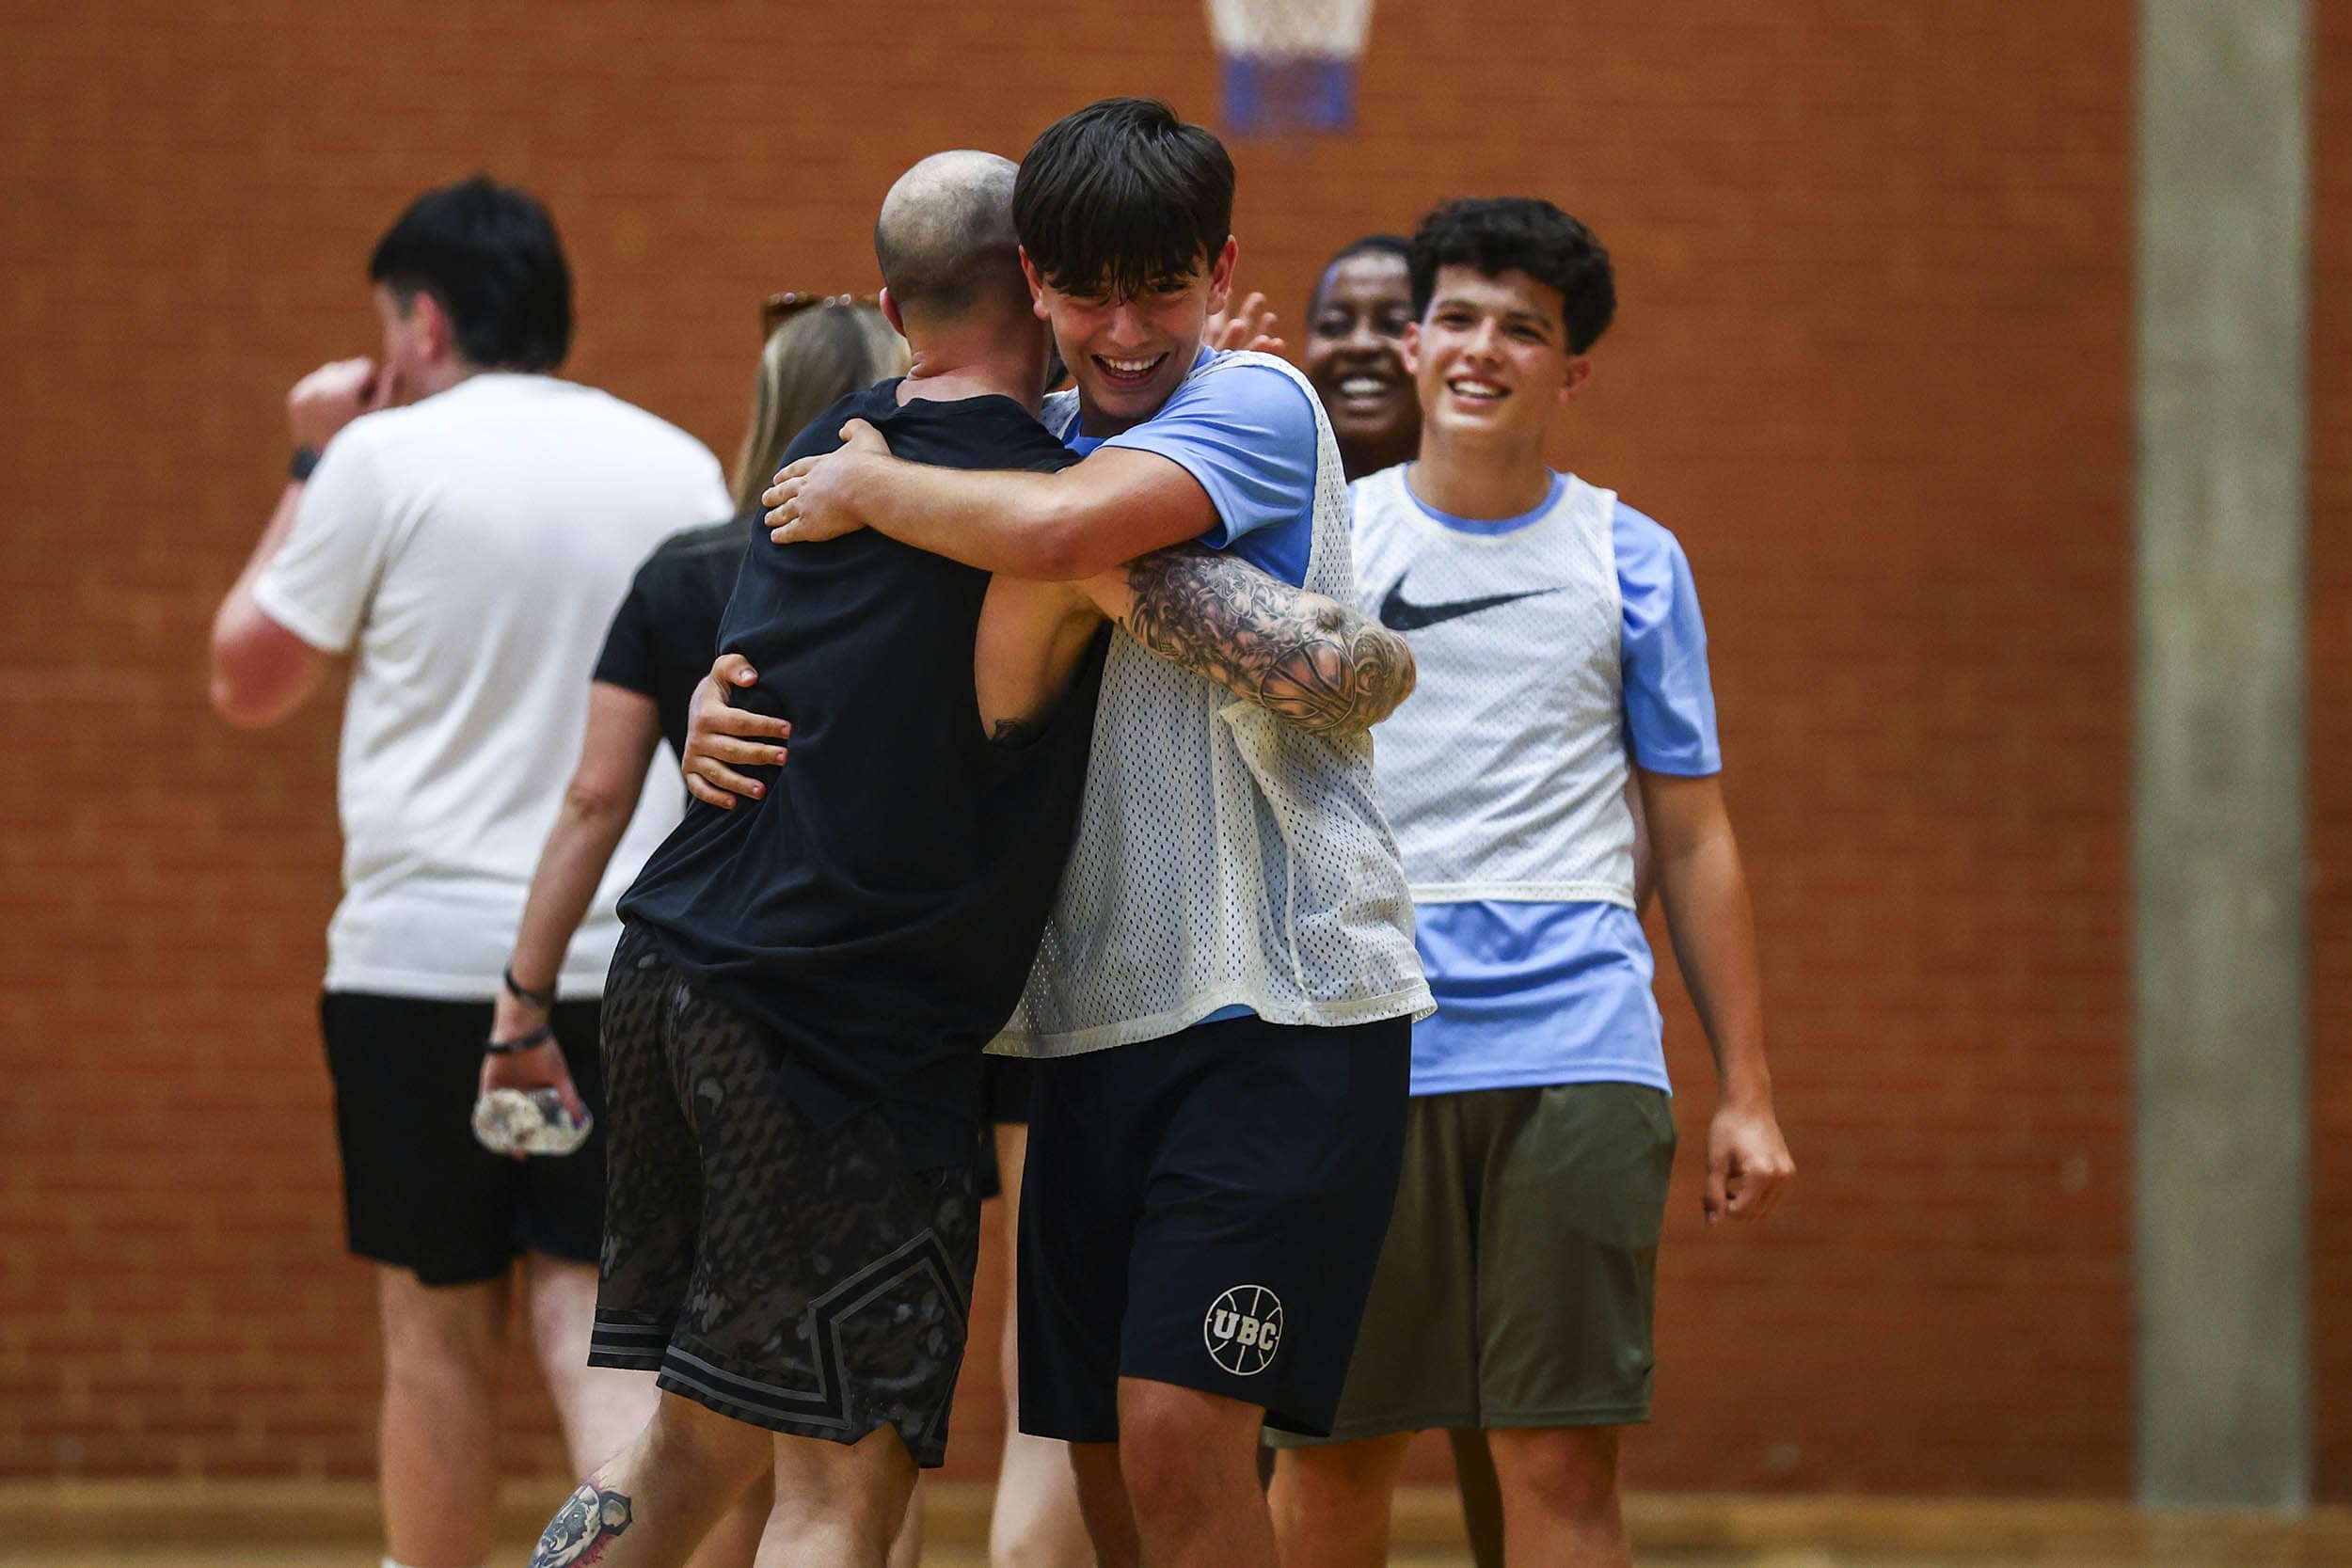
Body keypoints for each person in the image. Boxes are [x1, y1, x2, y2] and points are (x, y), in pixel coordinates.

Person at [523, 148, 1418, 1568]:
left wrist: (737, 675)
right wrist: (1354, 657)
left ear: (896, 305)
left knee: (692, 1438)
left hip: (667, 977)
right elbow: (1272, 636)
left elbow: (767, 611)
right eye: (1088, 292)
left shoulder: (839, 440)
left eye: (1157, 293)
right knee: (840, 1490)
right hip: (839, 1027)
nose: (1123, 331)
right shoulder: (1025, 486)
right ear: (1034, 283)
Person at [204, 176, 733, 1568]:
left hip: (420, 966)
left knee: (436, 1326)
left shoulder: (381, 458)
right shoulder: (677, 464)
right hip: (631, 963)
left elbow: (246, 676)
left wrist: (318, 452)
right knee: (598, 1314)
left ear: (420, 321)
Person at [1263, 198, 1796, 1568]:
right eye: (1458, 317)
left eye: (1524, 328)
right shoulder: (1326, 543)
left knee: (1557, 1458)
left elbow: (1692, 836)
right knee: (1329, 1450)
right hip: (1364, 1043)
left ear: (1573, 369)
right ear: (1419, 336)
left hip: (1580, 1052)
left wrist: (1746, 1089)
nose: (1481, 348)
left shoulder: (1632, 558)